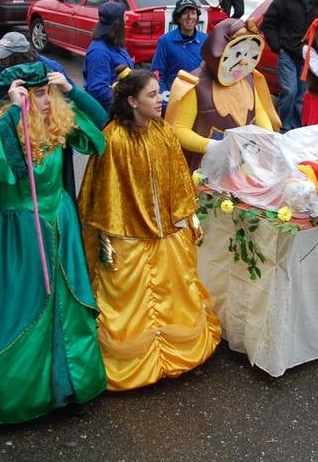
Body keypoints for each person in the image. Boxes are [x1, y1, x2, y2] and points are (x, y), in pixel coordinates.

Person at [0, 63, 109, 425]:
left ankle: (65, 386)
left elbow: (99, 136)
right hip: (19, 236)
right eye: (38, 94)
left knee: (64, 305)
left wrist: (71, 91)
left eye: (47, 92)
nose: (46, 100)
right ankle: (13, 398)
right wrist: (15, 110)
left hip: (60, 229)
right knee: (20, 309)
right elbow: (4, 169)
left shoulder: (55, 124)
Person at [77, 67, 221, 390]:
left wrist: (190, 217)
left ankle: (173, 351)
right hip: (126, 239)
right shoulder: (112, 140)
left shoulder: (164, 133)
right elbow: (102, 195)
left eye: (159, 93)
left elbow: (179, 179)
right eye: (152, 95)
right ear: (131, 101)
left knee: (174, 289)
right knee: (126, 301)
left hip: (166, 233)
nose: (160, 100)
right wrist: (105, 238)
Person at [165, 18, 275, 170]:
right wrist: (213, 146)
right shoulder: (194, 84)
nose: (244, 63)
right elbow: (179, 130)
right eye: (237, 54)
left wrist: (269, 137)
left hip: (246, 164)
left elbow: (259, 111)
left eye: (248, 55)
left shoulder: (248, 78)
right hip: (205, 170)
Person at [262, 0, 318, 130]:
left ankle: (296, 129)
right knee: (290, 91)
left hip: (307, 55)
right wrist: (278, 47)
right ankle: (283, 127)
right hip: (287, 53)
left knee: (301, 95)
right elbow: (268, 23)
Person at [82, 1, 134, 111]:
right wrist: (127, 102)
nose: (127, 19)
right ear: (117, 24)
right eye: (124, 17)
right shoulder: (99, 52)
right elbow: (98, 90)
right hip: (110, 113)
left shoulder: (116, 45)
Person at [150, 0, 205, 94]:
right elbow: (157, 73)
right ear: (178, 18)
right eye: (185, 13)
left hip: (199, 96)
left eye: (193, 13)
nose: (189, 17)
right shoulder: (165, 41)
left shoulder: (205, 39)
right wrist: (163, 96)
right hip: (175, 97)